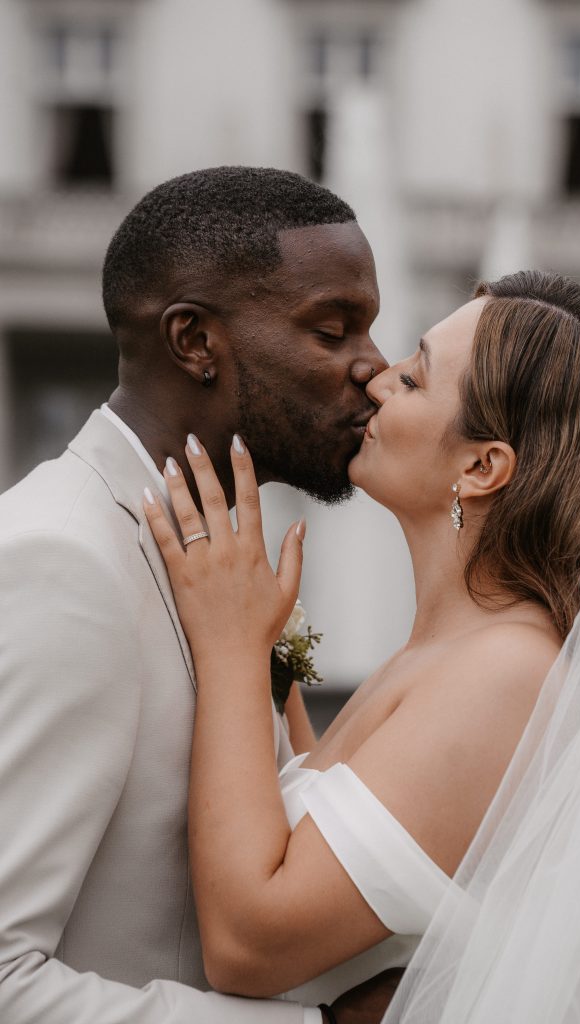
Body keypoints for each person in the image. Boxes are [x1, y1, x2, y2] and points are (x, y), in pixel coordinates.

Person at [145, 270, 580, 1021]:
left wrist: (235, 650)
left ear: (481, 467)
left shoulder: (506, 673)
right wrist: (261, 647)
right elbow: (287, 822)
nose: (377, 379)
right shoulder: (446, 654)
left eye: (417, 375)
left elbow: (249, 942)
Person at [0, 166, 401, 1024]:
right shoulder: (61, 562)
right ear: (195, 340)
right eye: (334, 329)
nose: (374, 368)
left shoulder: (212, 559)